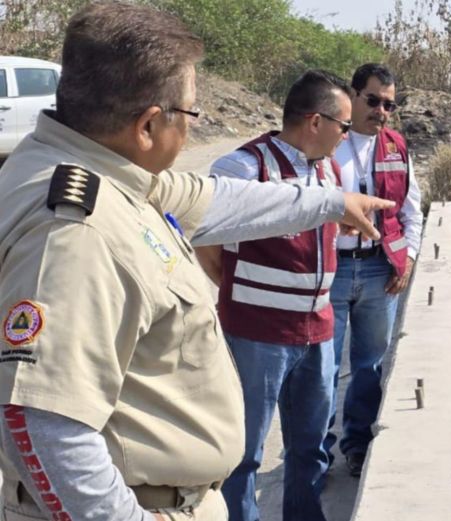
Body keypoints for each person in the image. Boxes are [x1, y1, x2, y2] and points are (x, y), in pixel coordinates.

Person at [0, 3, 392, 520]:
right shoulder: (75, 232)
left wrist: (333, 202)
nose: (191, 128)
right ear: (148, 125)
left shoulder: (103, 172)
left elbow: (217, 200)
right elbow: (43, 425)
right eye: (190, 114)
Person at [195, 70, 353, 521]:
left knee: (310, 448)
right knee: (243, 452)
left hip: (317, 333)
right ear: (316, 121)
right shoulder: (245, 168)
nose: (347, 135)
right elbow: (206, 238)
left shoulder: (327, 169)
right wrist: (241, 291)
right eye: (343, 125)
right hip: (257, 335)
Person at [327, 63, 422, 477]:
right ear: (352, 95)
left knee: (368, 367)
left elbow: (411, 211)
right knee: (322, 368)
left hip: (378, 272)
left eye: (389, 105)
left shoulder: (396, 148)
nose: (381, 111)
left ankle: (357, 447)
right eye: (372, 101)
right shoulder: (329, 142)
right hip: (330, 270)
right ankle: (315, 457)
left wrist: (409, 258)